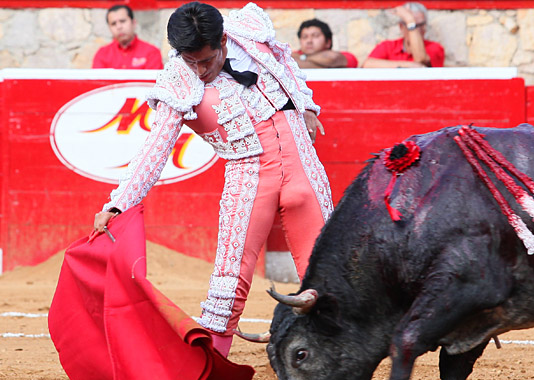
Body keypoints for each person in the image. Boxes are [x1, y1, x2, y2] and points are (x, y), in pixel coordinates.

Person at [93, 2, 333, 358]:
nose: (200, 70)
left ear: (222, 39)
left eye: (206, 60)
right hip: (249, 177)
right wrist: (118, 202)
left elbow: (287, 64)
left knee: (330, 281)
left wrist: (306, 106)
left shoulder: (248, 30)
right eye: (191, 61)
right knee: (226, 288)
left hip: (303, 162)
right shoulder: (178, 78)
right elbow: (154, 150)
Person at [362, 2, 444, 68]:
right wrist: (408, 65)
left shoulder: (435, 47)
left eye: (421, 25)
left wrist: (409, 19)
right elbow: (367, 64)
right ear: (401, 27)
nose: (417, 30)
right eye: (412, 26)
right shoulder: (389, 46)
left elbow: (420, 59)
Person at [92, 4, 164, 69]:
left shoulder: (151, 53)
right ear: (109, 28)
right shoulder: (102, 54)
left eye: (122, 21)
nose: (119, 27)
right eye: (113, 24)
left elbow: (154, 82)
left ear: (134, 23)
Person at [293, 18, 358, 68]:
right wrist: (327, 66)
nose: (309, 41)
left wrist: (303, 59)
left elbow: (332, 58)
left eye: (315, 36)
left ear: (328, 42)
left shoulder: (346, 56)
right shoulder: (291, 56)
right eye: (305, 37)